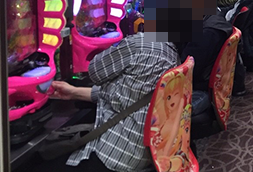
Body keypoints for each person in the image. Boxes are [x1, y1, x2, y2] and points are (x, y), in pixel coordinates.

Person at [34, 34, 178, 172]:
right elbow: (128, 95)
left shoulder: (140, 42)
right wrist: (74, 92)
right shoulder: (171, 52)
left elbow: (94, 72)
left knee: (43, 162)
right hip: (146, 152)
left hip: (116, 154)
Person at [176, 14, 233, 116]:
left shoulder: (207, 34)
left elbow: (186, 71)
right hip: (211, 83)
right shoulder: (214, 19)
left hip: (199, 89)